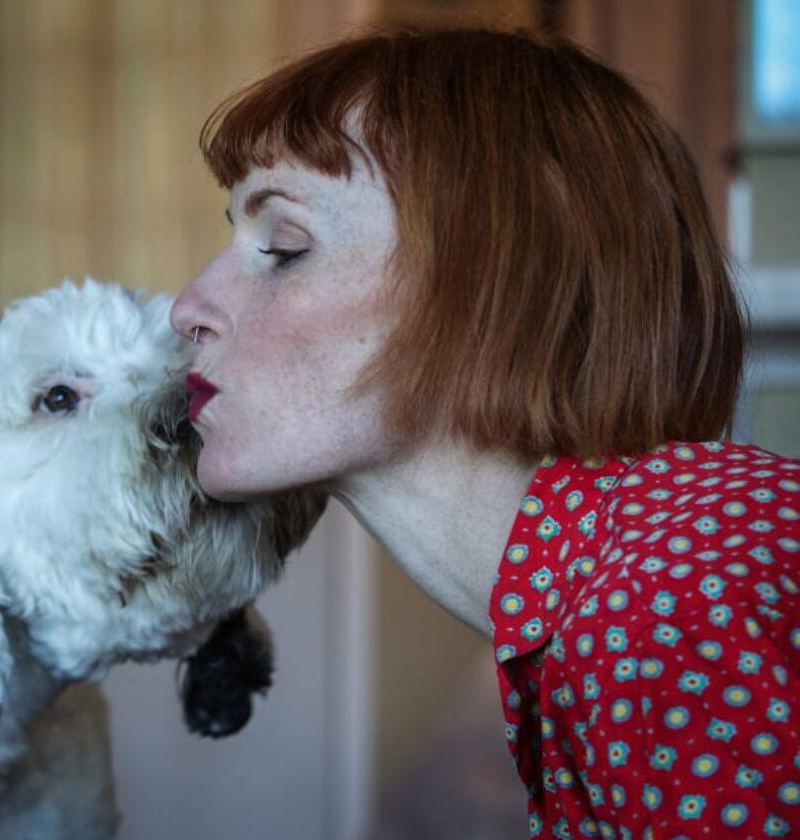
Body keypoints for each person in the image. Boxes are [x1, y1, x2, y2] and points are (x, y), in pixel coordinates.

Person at [170, 28, 799, 838]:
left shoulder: (659, 609)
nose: (187, 307)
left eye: (283, 247)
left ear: (503, 287)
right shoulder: (596, 612)